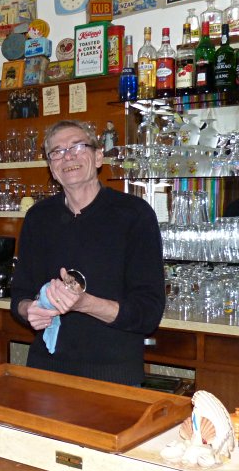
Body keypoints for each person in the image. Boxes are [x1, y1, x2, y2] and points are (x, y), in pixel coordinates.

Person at [10, 119, 165, 386]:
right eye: (56, 152)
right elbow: (19, 296)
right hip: (46, 370)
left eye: (77, 146)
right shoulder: (38, 217)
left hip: (112, 375)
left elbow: (148, 313)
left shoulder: (134, 215)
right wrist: (30, 310)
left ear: (98, 157)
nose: (67, 156)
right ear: (51, 168)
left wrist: (84, 303)